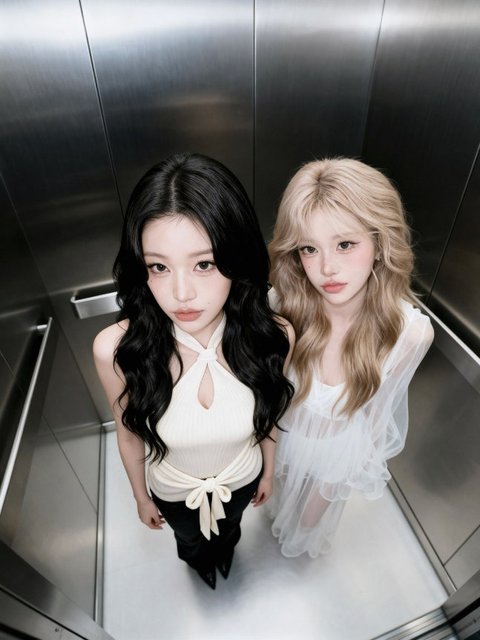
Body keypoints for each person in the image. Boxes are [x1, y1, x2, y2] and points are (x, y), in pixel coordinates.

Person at [93, 152, 294, 589]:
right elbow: (127, 434)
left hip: (241, 479)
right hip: (173, 492)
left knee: (231, 532)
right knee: (189, 542)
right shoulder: (116, 350)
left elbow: (270, 414)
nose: (181, 293)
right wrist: (140, 496)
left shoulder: (274, 335)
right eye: (159, 267)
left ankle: (224, 555)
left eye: (204, 264)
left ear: (236, 258)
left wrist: (267, 471)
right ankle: (199, 563)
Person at [267, 157, 434, 558]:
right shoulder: (281, 305)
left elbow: (376, 421)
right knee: (274, 507)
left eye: (345, 244)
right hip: (279, 442)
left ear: (380, 244)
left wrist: (327, 491)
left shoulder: (410, 334)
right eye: (309, 248)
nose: (327, 268)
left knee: (305, 526)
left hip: (335, 458)